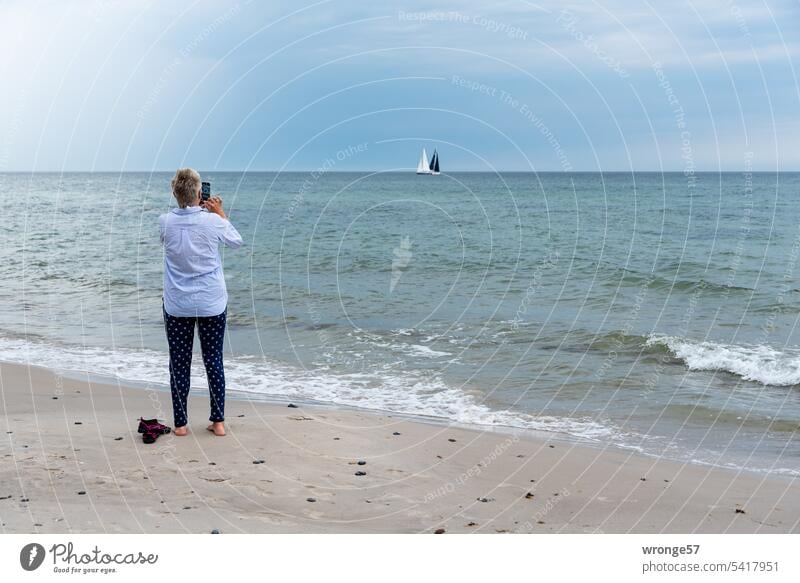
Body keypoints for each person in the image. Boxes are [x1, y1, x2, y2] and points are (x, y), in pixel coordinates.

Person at [158, 168, 242, 436]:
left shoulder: (165, 221)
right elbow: (236, 242)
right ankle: (218, 423)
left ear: (175, 193)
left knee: (179, 363)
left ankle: (180, 425)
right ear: (198, 193)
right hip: (211, 302)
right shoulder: (213, 222)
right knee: (213, 360)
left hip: (178, 303)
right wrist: (219, 214)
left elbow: (169, 241)